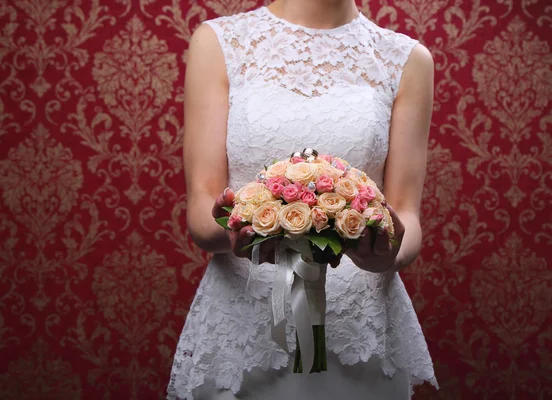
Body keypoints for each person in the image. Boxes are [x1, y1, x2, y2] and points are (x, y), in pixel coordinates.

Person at [167, 0, 438, 398]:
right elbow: (202, 211)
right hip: (246, 321)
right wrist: (236, 231)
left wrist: (387, 252)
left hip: (357, 324)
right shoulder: (219, 43)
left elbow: (407, 215)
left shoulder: (406, 59)